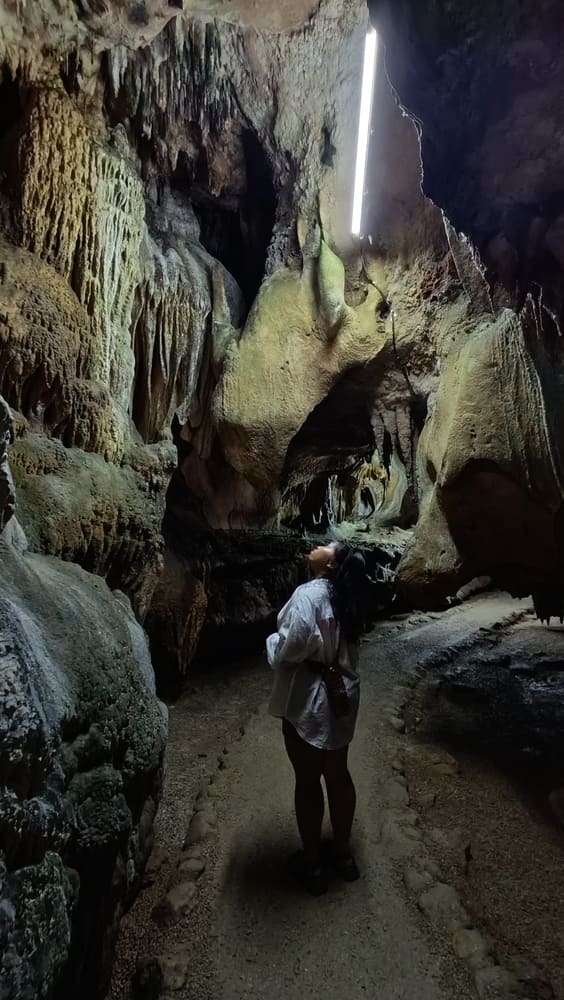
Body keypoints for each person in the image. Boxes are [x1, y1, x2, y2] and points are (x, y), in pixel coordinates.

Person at [266, 539, 370, 895]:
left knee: (308, 780)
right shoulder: (349, 596)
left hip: (310, 696)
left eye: (328, 546)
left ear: (329, 565)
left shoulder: (308, 595)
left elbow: (290, 649)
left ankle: (312, 865)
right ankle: (342, 856)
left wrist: (271, 646)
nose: (320, 544)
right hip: (343, 691)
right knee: (338, 774)